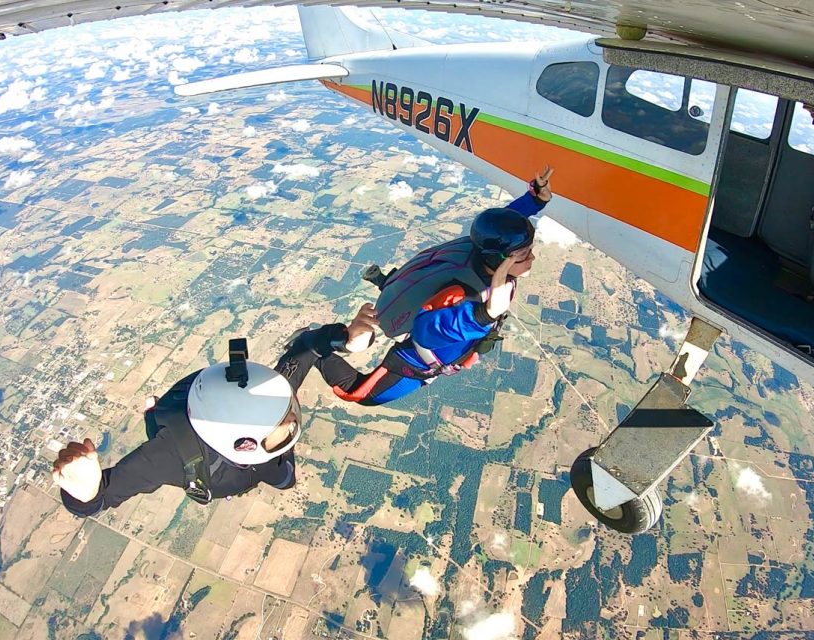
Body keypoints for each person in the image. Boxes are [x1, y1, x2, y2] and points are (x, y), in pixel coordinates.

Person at [291, 166, 555, 406]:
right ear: (500, 259)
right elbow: (425, 331)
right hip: (414, 360)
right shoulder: (466, 295)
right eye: (523, 255)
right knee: (358, 393)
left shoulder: (478, 248)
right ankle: (310, 343)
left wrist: (534, 200)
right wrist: (483, 314)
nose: (532, 257)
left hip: (445, 318)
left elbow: (500, 228)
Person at [52, 331, 365, 516]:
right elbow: (101, 498)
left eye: (289, 410)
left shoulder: (267, 399)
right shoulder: (169, 457)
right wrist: (84, 490)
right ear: (244, 442)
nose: (293, 420)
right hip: (208, 470)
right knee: (285, 477)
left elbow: (306, 347)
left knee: (284, 477)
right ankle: (155, 414)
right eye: (285, 426)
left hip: (236, 455)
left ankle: (279, 473)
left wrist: (345, 336)